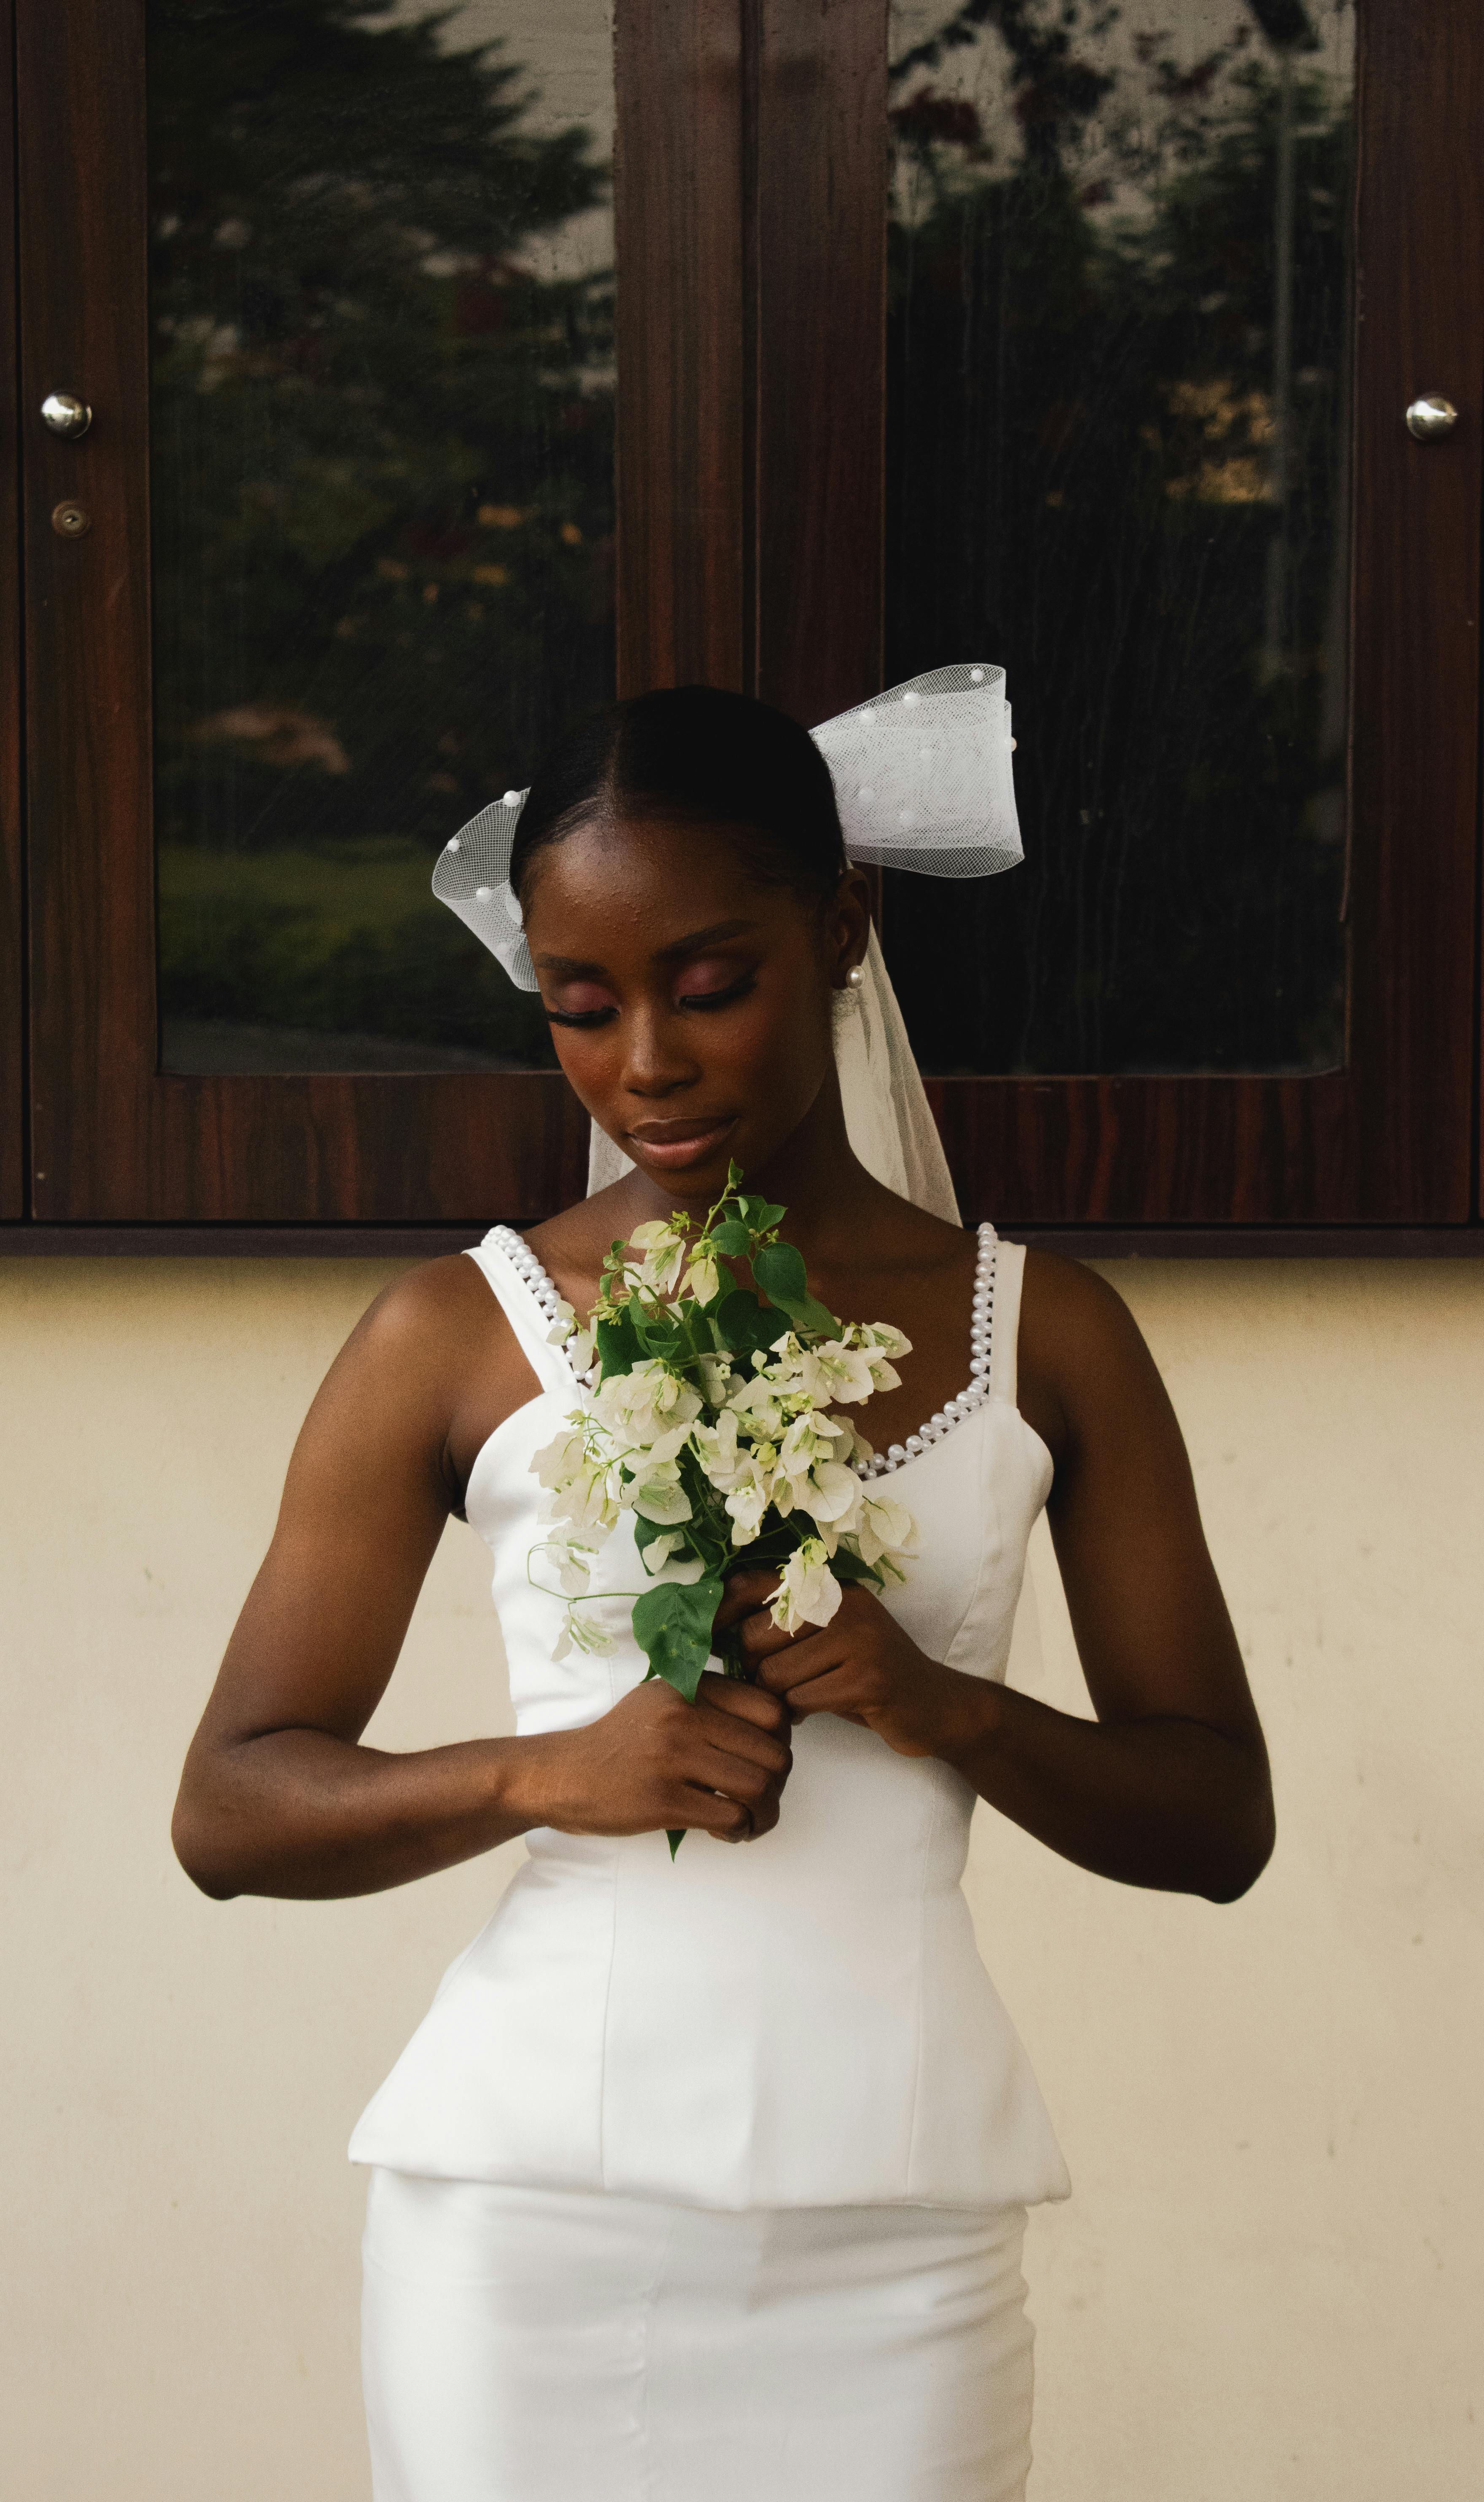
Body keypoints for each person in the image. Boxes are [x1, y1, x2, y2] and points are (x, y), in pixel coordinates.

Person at [172, 678, 1274, 2502]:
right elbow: (229, 1805)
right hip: (524, 2225)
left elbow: (1214, 1819)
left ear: (839, 931)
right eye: (578, 1009)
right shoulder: (453, 1335)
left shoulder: (1046, 1333)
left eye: (706, 985)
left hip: (899, 2229)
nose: (645, 1068)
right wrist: (543, 1776)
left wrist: (945, 1705)